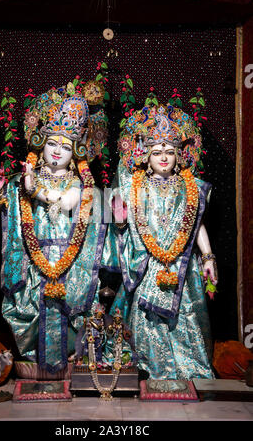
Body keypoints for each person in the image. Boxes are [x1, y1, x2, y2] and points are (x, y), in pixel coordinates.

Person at [0, 82, 108, 375]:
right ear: (41, 146)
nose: (57, 152)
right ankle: (35, 366)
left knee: (69, 312)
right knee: (31, 307)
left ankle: (69, 365)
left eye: (66, 147)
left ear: (77, 152)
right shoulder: (23, 180)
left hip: (69, 261)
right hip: (34, 261)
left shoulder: (80, 184)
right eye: (52, 144)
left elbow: (66, 204)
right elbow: (9, 201)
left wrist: (33, 189)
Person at [102, 102, 217, 380]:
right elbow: (120, 222)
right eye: (156, 152)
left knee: (184, 320)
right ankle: (149, 370)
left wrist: (209, 257)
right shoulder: (133, 184)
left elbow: (196, 224)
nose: (163, 158)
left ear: (179, 154)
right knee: (146, 320)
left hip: (182, 266)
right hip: (147, 264)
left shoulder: (191, 187)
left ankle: (186, 371)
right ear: (146, 155)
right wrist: (118, 217)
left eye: (169, 152)